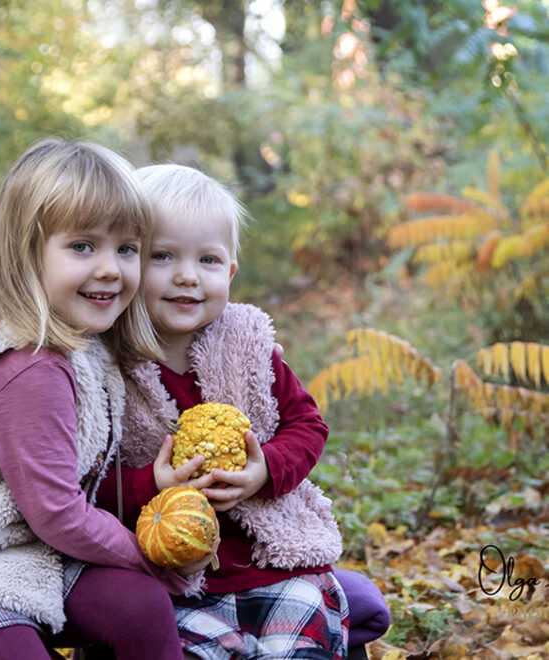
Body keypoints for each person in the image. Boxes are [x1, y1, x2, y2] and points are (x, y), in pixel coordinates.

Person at [0, 140, 216, 660]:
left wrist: (246, 345)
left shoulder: (81, 342)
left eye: (127, 248)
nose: (111, 268)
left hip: (31, 551)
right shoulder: (25, 366)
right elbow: (59, 512)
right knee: (11, 649)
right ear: (27, 252)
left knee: (139, 607)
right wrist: (148, 558)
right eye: (83, 246)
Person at [93, 164, 388, 659]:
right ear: (128, 264)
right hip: (171, 577)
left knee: (297, 635)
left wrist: (265, 469)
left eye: (208, 260)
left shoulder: (248, 346)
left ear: (229, 272)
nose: (188, 276)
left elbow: (306, 424)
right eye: (163, 256)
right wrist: (153, 487)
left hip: (270, 562)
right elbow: (83, 481)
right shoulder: (105, 365)